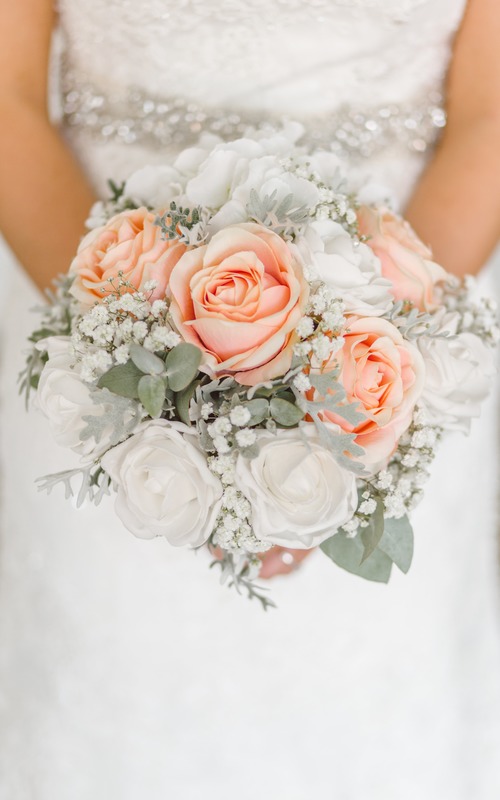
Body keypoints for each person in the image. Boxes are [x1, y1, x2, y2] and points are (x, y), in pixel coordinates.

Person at [1, 1, 500, 797]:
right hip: (88, 318)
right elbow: (9, 98)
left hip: (403, 333)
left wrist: (368, 379)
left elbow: (489, 117)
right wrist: (141, 387)